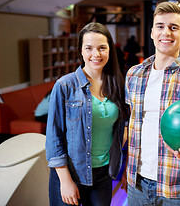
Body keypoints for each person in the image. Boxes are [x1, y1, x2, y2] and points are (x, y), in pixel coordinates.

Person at [122, 1, 180, 205]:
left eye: (174, 28)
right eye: (161, 26)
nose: (167, 33)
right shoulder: (133, 75)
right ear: (152, 32)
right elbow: (131, 126)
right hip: (137, 184)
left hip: (178, 187)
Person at [45, 22, 129, 206]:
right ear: (81, 51)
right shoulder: (65, 85)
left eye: (102, 48)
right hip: (70, 174)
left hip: (103, 176)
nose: (96, 54)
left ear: (109, 51)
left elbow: (125, 127)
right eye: (89, 48)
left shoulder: (118, 86)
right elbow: (53, 138)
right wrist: (65, 181)